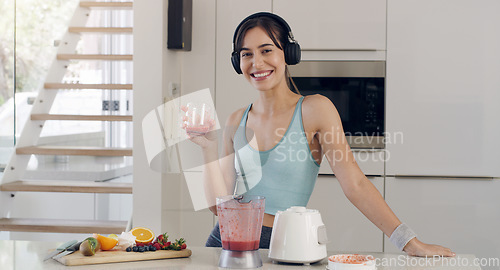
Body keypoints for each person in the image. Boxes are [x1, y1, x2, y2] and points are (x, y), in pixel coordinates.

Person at [185, 12, 455, 257]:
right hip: (225, 241)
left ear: (287, 54)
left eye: (267, 50)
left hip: (283, 243)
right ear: (237, 62)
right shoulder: (236, 119)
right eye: (246, 54)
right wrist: (207, 148)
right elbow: (220, 207)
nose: (257, 62)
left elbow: (356, 185)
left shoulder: (315, 110)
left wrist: (409, 242)